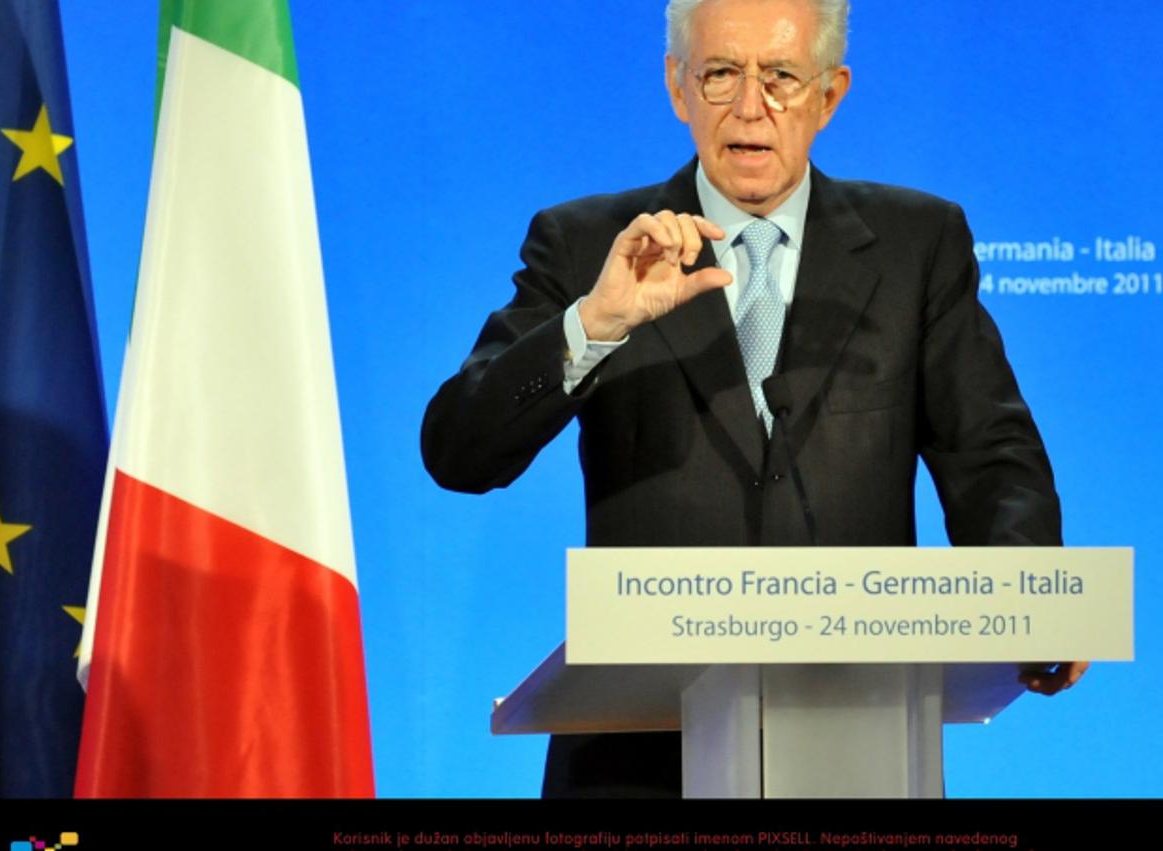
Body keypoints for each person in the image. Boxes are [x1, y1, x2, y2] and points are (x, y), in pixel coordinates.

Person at [421, 0, 1085, 797]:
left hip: (859, 744)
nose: (749, 108)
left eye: (779, 77)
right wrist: (594, 323)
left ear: (830, 94)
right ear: (676, 85)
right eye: (721, 74)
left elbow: (990, 456)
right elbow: (458, 450)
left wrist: (1028, 593)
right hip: (634, 771)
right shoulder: (588, 246)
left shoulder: (919, 246)